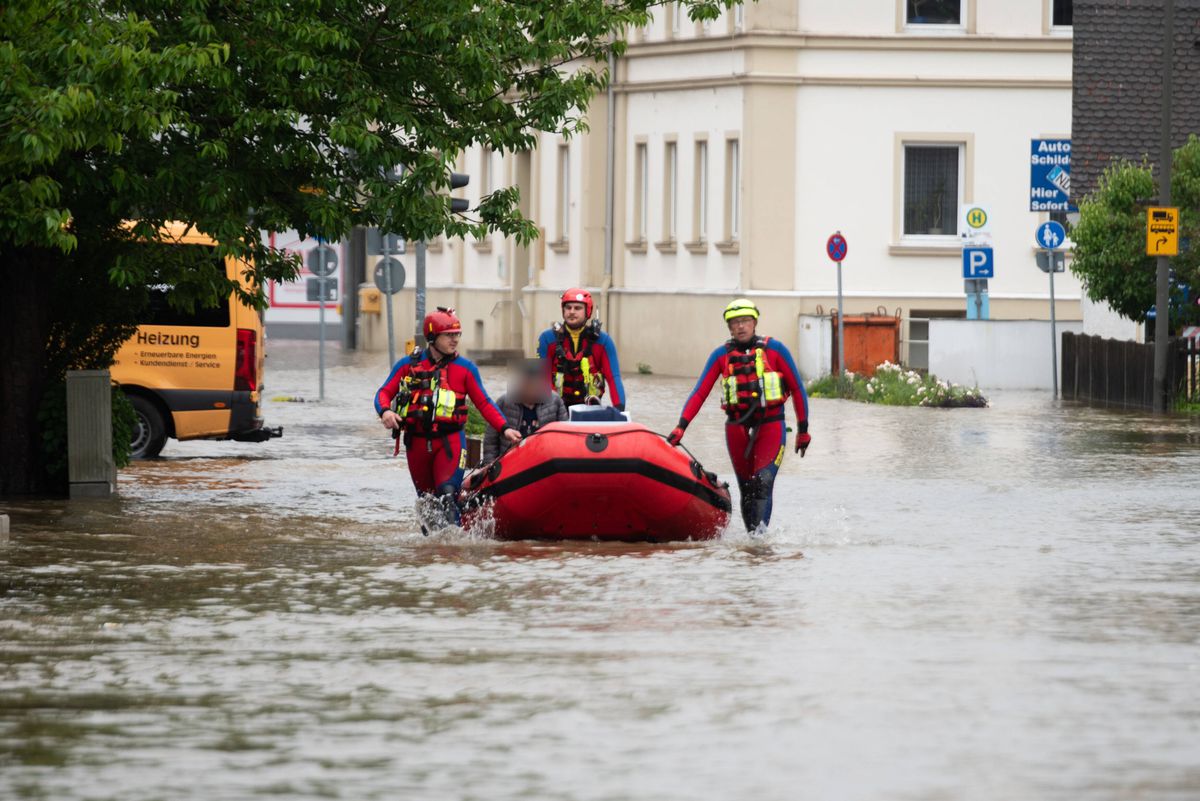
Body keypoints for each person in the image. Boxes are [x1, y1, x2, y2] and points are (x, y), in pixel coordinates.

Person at [667, 298, 811, 534]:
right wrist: (681, 426)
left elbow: (797, 389)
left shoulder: (775, 350)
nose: (741, 326)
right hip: (736, 427)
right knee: (747, 488)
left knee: (763, 482)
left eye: (745, 321)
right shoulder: (720, 356)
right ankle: (751, 542)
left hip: (771, 424)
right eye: (735, 323)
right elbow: (700, 393)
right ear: (729, 327)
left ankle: (759, 542)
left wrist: (803, 430)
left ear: (754, 323)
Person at [374, 307, 520, 524]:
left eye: (457, 334)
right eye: (449, 335)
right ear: (432, 337)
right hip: (417, 444)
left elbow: (484, 403)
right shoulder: (406, 366)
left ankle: (456, 542)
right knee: (427, 503)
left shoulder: (466, 369)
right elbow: (383, 393)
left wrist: (505, 428)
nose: (455, 340)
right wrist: (385, 411)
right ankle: (434, 544)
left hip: (450, 442)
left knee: (447, 496)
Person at [537, 288, 626, 411]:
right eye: (568, 308)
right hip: (556, 409)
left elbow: (614, 378)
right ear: (563, 310)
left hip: (590, 409)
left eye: (577, 308)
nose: (572, 312)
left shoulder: (604, 341)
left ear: (587, 311)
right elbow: (541, 377)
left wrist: (619, 409)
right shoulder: (547, 339)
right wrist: (551, 409)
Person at [483, 360, 568, 463]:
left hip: (543, 462)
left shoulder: (555, 401)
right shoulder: (504, 402)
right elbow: (490, 440)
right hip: (510, 462)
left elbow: (565, 436)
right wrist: (490, 464)